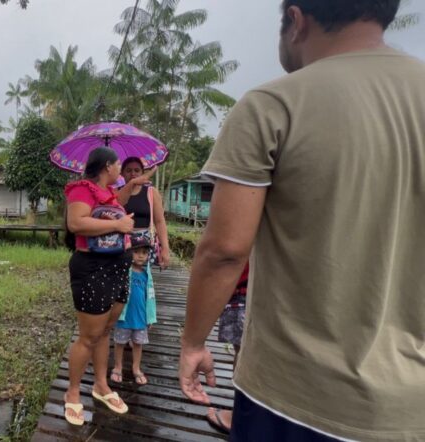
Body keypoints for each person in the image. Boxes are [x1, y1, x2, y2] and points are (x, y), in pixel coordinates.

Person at [178, 1, 425, 440]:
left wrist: (193, 343)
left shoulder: (273, 105)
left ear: (295, 21)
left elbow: (223, 251)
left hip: (292, 396)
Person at [63, 146, 135, 426]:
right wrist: (119, 227)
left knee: (106, 330)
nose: (120, 169)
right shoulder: (82, 189)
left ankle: (101, 385)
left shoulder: (110, 195)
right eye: (118, 165)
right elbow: (76, 223)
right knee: (88, 336)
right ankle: (72, 393)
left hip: (118, 267)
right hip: (93, 268)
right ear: (107, 165)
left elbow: (115, 212)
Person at [206, 263, 249, 434]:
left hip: (246, 291)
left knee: (244, 351)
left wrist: (193, 343)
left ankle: (242, 415)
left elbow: (226, 249)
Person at [111, 234, 157, 386]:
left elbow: (150, 298)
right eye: (136, 252)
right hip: (123, 317)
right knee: (120, 343)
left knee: (138, 344)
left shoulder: (146, 275)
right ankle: (118, 367)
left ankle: (136, 368)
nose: (140, 256)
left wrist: (150, 317)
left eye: (144, 253)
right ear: (129, 253)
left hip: (140, 318)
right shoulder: (124, 271)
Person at [117, 157, 171, 269]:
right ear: (121, 173)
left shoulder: (151, 192)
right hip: (122, 244)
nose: (133, 173)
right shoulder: (117, 193)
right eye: (128, 170)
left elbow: (160, 222)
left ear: (142, 173)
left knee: (143, 281)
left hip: (145, 247)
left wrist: (165, 249)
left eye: (137, 170)